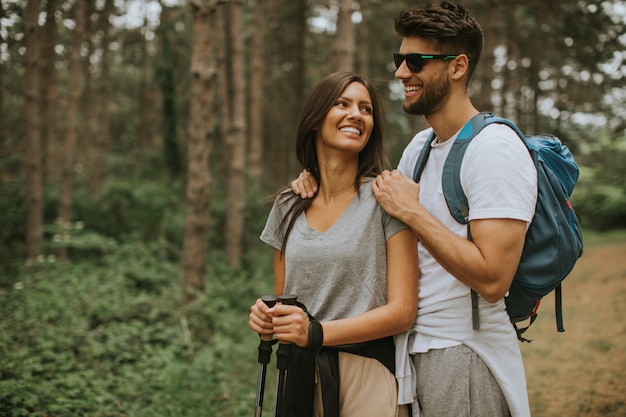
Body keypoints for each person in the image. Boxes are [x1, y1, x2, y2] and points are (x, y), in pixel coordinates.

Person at [292, 3, 536, 417]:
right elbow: (374, 209)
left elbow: (494, 281)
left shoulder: (495, 150)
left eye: (415, 61)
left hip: (463, 352)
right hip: (410, 353)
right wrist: (314, 179)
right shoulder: (419, 149)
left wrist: (416, 213)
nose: (402, 72)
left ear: (457, 67)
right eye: (398, 59)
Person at [249, 71, 419, 417]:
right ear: (315, 119)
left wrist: (316, 332)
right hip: (299, 374)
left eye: (366, 109)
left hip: (366, 374)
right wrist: (268, 318)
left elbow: (403, 312)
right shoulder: (287, 205)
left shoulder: (386, 198)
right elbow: (287, 302)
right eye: (342, 104)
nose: (356, 114)